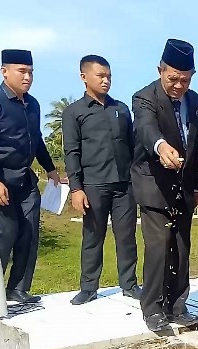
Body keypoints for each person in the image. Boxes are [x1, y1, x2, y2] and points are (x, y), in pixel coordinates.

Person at [0, 49, 61, 304]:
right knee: (5, 232)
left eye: (30, 72)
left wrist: (50, 168)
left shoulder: (33, 104)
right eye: (22, 71)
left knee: (29, 232)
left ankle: (18, 289)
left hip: (23, 177)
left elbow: (37, 139)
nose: (27, 77)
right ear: (4, 71)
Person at [131, 39, 198, 332]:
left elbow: (195, 145)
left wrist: (196, 185)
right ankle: (153, 308)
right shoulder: (144, 97)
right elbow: (147, 129)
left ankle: (177, 305)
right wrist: (161, 147)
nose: (178, 86)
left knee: (182, 247)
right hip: (153, 182)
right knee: (159, 247)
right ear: (160, 70)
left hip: (184, 185)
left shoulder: (194, 100)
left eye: (185, 80)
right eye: (173, 79)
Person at [62, 55, 141, 306]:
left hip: (123, 184)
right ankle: (88, 287)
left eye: (109, 76)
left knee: (126, 236)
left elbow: (133, 145)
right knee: (93, 236)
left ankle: (129, 284)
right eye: (101, 76)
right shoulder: (74, 112)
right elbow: (71, 152)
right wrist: (76, 188)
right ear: (84, 77)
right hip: (93, 185)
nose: (106, 81)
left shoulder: (121, 109)